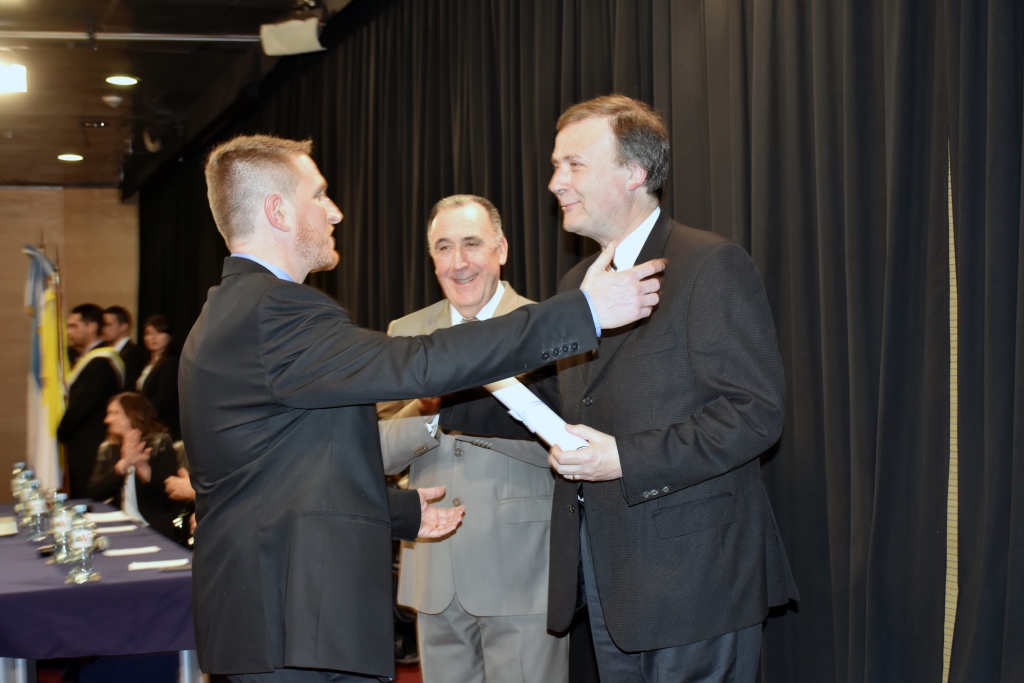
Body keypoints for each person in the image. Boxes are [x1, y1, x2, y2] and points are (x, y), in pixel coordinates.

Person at [178, 134, 663, 682]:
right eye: (319, 194)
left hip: (279, 617)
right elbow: (421, 363)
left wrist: (405, 513)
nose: (334, 210)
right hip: (288, 623)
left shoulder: (238, 310)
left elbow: (293, 473)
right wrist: (583, 311)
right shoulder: (274, 314)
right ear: (277, 211)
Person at [445, 95, 799, 682]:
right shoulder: (576, 283)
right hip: (613, 579)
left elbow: (753, 414)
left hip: (697, 581)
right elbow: (567, 403)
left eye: (574, 165)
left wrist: (622, 459)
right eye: (556, 166)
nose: (555, 182)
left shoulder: (709, 264)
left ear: (634, 173)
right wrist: (441, 404)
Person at [378, 195, 568, 683]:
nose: (458, 262)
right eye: (443, 247)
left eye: (471, 244)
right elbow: (373, 449)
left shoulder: (547, 328)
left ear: (501, 249)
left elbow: (573, 438)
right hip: (433, 570)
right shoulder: (406, 333)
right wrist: (427, 415)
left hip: (522, 570)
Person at [87, 392, 189, 545]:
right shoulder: (108, 448)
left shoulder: (158, 443)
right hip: (120, 525)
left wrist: (144, 470)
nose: (107, 420)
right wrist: (122, 465)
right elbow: (94, 493)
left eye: (115, 413)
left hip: (153, 528)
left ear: (133, 413)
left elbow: (170, 498)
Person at [57, 303, 124, 497]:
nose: (69, 332)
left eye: (73, 326)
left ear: (92, 327)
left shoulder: (101, 362)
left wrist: (60, 432)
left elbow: (80, 407)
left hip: (90, 450)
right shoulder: (90, 360)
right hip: (84, 449)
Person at [137, 314, 181, 441]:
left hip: (164, 426)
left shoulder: (170, 363)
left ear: (170, 336)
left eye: (159, 332)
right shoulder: (147, 364)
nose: (153, 338)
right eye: (148, 333)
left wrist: (142, 418)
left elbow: (163, 398)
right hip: (148, 426)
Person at [102, 305, 147, 391]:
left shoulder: (134, 353)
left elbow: (129, 386)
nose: (103, 329)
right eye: (103, 325)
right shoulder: (105, 351)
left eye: (108, 325)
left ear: (123, 326)